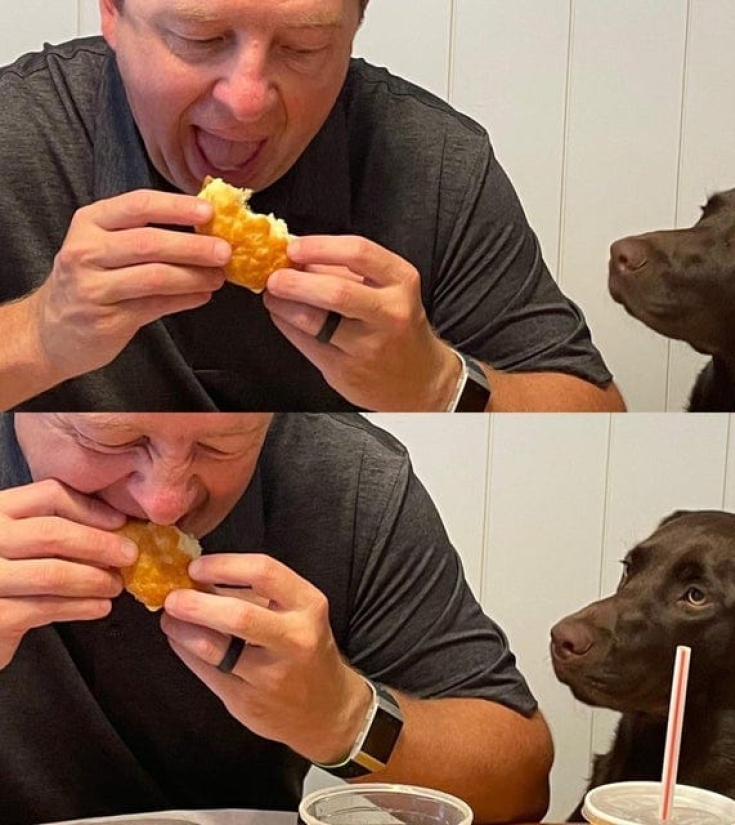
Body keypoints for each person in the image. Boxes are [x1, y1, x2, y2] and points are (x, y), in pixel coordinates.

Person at [0, 0, 625, 413]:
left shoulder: (434, 163)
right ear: (113, 11)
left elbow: (596, 408)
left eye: (302, 48)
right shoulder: (16, 128)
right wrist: (39, 335)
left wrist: (436, 384)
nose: (247, 100)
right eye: (200, 38)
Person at [0, 412, 554, 824]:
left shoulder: (342, 480)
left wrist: (343, 716)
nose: (164, 504)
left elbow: (521, 785)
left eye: (220, 445)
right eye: (110, 437)